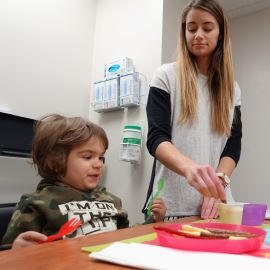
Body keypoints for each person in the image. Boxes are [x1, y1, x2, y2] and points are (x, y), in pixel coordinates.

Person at [1, 114, 166, 249]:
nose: (99, 164)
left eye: (101, 157)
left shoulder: (111, 200)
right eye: (88, 157)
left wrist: (154, 221)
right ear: (55, 161)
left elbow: (124, 235)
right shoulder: (35, 203)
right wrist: (17, 248)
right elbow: (8, 256)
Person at [143, 0, 242, 221]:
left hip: (217, 205)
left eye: (207, 28)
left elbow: (233, 146)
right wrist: (190, 169)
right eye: (191, 28)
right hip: (171, 206)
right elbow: (156, 139)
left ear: (220, 34)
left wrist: (218, 184)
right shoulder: (166, 76)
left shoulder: (232, 89)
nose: (198, 34)